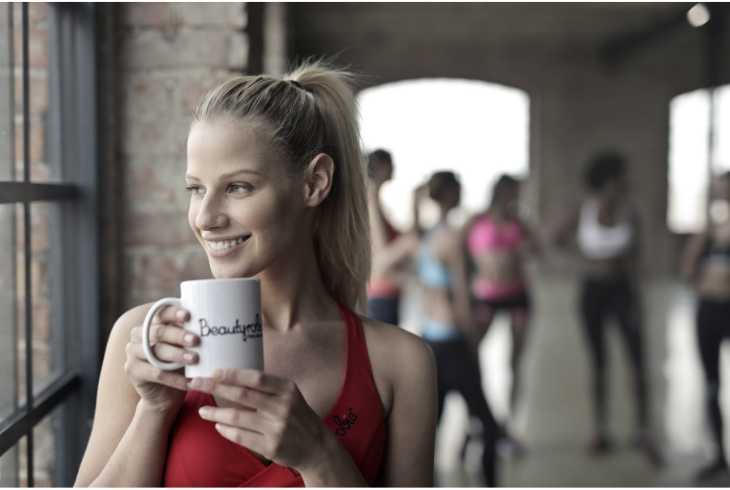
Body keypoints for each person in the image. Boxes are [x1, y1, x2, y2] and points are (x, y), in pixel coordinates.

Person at [74, 62, 437, 487]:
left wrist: (319, 456)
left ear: (314, 183)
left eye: (237, 187)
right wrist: (154, 409)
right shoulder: (143, 341)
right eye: (196, 188)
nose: (205, 217)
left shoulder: (400, 364)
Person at [553, 150, 659, 464]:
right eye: (622, 176)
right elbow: (556, 239)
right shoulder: (582, 209)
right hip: (592, 292)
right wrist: (586, 260)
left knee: (637, 360)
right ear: (608, 179)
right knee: (598, 361)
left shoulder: (631, 212)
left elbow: (639, 262)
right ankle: (600, 430)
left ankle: (643, 429)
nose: (627, 181)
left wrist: (640, 300)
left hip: (623, 291)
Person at [415, 171, 500, 486]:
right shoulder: (452, 239)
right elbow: (463, 298)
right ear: (450, 193)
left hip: (430, 341)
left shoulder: (428, 237)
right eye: (459, 187)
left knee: (430, 432)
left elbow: (426, 291)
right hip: (453, 343)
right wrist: (474, 344)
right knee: (489, 426)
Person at [463, 174, 540, 456]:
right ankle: (474, 423)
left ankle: (508, 425)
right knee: (469, 359)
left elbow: (538, 251)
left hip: (517, 296)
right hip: (486, 297)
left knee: (515, 362)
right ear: (500, 193)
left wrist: (527, 246)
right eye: (513, 193)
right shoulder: (477, 221)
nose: (515, 198)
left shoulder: (520, 224)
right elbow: (460, 255)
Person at [681, 171, 730, 481]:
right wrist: (705, 236)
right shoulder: (709, 233)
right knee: (712, 384)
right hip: (708, 311)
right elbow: (686, 272)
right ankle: (719, 456)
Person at [366, 149, 419, 326]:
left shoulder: (376, 200)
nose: (394, 167)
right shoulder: (370, 199)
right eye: (390, 163)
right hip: (380, 295)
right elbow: (382, 257)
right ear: (380, 167)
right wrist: (407, 243)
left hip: (386, 293)